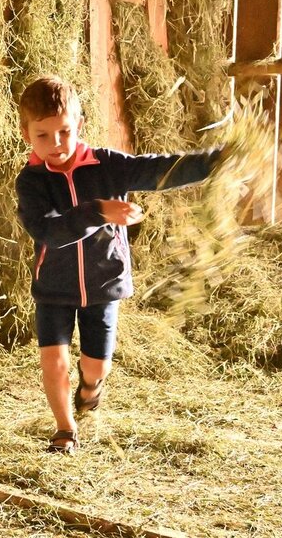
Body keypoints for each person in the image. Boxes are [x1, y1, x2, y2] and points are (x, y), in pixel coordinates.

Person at [15, 75, 222, 454]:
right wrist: (98, 211)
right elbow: (48, 231)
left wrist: (217, 161)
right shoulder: (31, 182)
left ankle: (90, 387)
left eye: (64, 132)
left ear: (79, 124)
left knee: (96, 367)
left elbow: (160, 171)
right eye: (43, 135)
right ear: (26, 133)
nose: (55, 143)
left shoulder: (107, 165)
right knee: (53, 361)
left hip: (103, 284)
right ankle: (64, 429)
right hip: (53, 288)